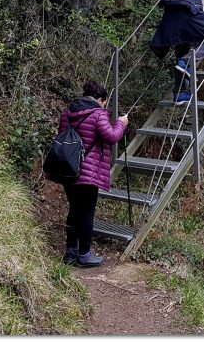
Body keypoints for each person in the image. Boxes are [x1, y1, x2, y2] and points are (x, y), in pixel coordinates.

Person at [59, 81, 128, 268]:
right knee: (87, 211)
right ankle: (85, 254)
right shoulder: (98, 114)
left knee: (74, 210)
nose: (105, 105)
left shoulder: (68, 112)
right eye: (104, 102)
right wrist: (121, 124)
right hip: (88, 172)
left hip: (68, 169)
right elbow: (112, 137)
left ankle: (71, 251)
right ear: (100, 100)